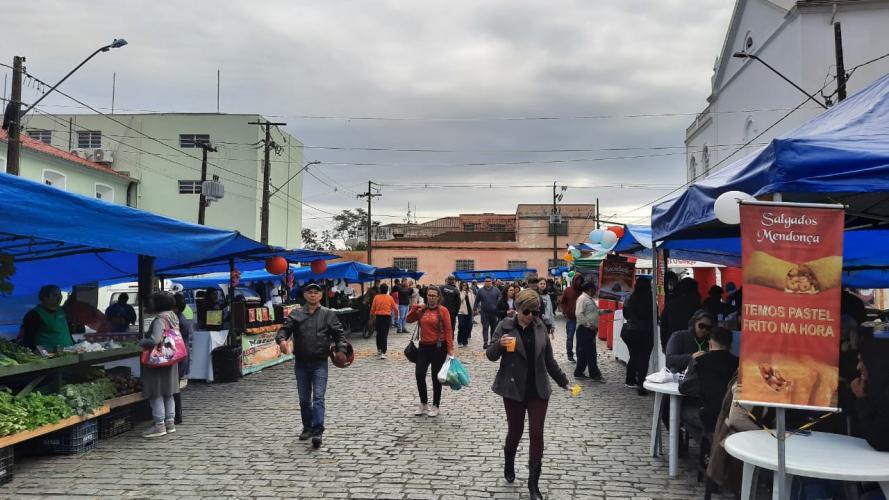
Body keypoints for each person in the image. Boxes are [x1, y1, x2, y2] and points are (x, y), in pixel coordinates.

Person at [486, 289, 571, 500]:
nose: (531, 316)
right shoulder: (504, 326)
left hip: (537, 389)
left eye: (535, 312)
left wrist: (563, 381)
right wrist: (500, 345)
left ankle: (534, 484)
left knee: (536, 433)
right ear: (517, 308)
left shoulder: (540, 326)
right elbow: (490, 355)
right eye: (527, 311)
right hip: (513, 389)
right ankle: (509, 460)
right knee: (515, 431)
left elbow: (549, 360)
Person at [275, 283, 348, 448]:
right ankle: (307, 427)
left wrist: (341, 350)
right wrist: (281, 341)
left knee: (318, 398)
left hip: (320, 363)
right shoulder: (296, 314)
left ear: (321, 295)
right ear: (305, 295)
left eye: (316, 292)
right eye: (310, 292)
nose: (313, 295)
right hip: (301, 363)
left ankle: (318, 431)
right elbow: (284, 330)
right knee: (304, 399)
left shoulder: (328, 314)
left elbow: (339, 335)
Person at [679, 326, 739, 432]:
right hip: (732, 414)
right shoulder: (739, 363)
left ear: (710, 343)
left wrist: (691, 363)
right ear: (730, 344)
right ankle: (708, 441)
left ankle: (701, 442)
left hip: (709, 415)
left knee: (679, 410)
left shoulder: (700, 362)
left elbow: (684, 388)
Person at [406, 286, 453, 417]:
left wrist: (450, 349)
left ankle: (436, 405)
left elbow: (449, 330)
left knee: (435, 377)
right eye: (429, 295)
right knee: (419, 374)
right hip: (423, 346)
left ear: (438, 297)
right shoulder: (422, 310)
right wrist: (414, 308)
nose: (431, 298)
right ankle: (423, 403)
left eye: (434, 295)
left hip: (439, 347)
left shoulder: (443, 311)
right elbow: (408, 320)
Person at [139, 292, 181, 438]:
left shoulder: (159, 319)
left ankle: (159, 425)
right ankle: (170, 422)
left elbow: (154, 340)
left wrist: (141, 342)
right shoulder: (173, 316)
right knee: (168, 391)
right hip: (171, 357)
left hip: (158, 360)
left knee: (156, 392)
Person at [851, 333, 889, 451]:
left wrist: (861, 400)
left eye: (862, 361)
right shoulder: (877, 387)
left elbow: (879, 441)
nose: (858, 367)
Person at [621, 277, 654, 395]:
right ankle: (641, 383)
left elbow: (625, 314)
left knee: (634, 355)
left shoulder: (630, 298)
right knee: (644, 358)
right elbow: (653, 316)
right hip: (645, 332)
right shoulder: (649, 299)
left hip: (630, 331)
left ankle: (630, 380)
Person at [20, 285, 74, 351]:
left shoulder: (62, 311)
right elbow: (28, 339)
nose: (60, 297)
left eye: (60, 294)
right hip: (50, 355)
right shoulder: (34, 314)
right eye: (55, 295)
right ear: (45, 297)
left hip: (69, 351)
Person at [659, 277, 701, 353]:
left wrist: (664, 344)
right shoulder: (697, 305)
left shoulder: (670, 304)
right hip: (693, 343)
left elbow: (664, 326)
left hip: (673, 342)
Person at [574, 282, 604, 381]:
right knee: (590, 352)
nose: (595, 291)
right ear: (590, 289)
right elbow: (579, 314)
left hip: (589, 330)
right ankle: (594, 373)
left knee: (584, 352)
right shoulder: (582, 299)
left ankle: (579, 372)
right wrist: (588, 324)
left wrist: (604, 311)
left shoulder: (589, 299)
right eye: (594, 289)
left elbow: (592, 312)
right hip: (584, 330)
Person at [172, 293, 192, 425]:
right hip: (181, 353)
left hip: (179, 354)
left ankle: (177, 415)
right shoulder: (178, 318)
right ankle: (176, 414)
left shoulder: (179, 320)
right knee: (175, 385)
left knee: (174, 386)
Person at [559, 274, 584, 363]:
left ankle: (580, 354)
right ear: (574, 280)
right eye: (577, 280)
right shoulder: (568, 290)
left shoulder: (583, 291)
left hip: (581, 319)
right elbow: (562, 302)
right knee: (570, 337)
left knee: (580, 338)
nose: (579, 282)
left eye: (580, 280)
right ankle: (570, 354)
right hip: (571, 318)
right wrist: (565, 311)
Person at [370, 283, 399, 359]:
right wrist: (396, 317)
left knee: (379, 334)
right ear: (387, 290)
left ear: (380, 290)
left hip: (378, 317)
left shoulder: (376, 297)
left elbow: (372, 308)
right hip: (386, 317)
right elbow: (395, 309)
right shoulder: (390, 298)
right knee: (384, 335)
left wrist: (371, 317)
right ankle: (383, 352)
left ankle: (379, 349)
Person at [474, 277, 501, 349]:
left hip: (494, 313)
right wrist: (475, 309)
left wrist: (499, 307)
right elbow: (477, 300)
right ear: (484, 282)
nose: (488, 282)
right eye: (486, 281)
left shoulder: (496, 290)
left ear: (491, 282)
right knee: (485, 327)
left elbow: (500, 298)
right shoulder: (480, 291)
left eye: (489, 281)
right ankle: (485, 342)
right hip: (484, 313)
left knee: (493, 327)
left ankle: (492, 341)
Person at [457, 282, 476, 347]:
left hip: (469, 312)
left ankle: (465, 341)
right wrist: (463, 292)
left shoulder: (470, 292)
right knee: (462, 326)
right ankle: (460, 341)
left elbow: (473, 301)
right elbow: (460, 300)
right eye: (463, 285)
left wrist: (474, 309)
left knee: (468, 326)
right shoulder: (459, 292)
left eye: (465, 285)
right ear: (461, 286)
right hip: (461, 312)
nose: (464, 286)